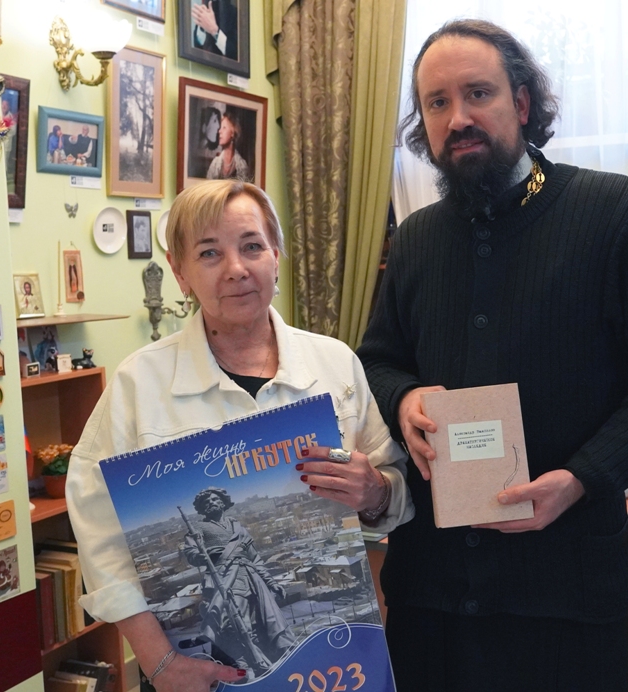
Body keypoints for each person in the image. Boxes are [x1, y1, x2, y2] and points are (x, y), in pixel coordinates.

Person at [356, 19, 628, 692]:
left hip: (566, 594)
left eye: (477, 93)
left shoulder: (613, 212)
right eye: (437, 102)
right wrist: (403, 398)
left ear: (521, 103)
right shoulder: (416, 240)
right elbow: (375, 363)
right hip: (431, 596)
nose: (458, 118)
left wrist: (579, 478)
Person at [67, 179, 413, 692]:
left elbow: (396, 492)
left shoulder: (335, 363)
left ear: (276, 256)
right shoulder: (138, 384)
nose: (235, 268)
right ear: (180, 273)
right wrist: (160, 663)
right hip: (195, 671)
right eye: (209, 253)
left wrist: (375, 490)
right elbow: (100, 537)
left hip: (331, 668)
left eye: (252, 246)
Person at [183, 487, 295, 676]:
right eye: (206, 502)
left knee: (265, 619)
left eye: (214, 499)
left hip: (252, 577)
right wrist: (204, 554)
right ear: (201, 509)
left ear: (223, 502)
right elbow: (191, 553)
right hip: (225, 577)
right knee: (235, 622)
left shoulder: (238, 527)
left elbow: (255, 558)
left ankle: (273, 655)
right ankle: (246, 664)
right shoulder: (198, 529)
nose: (210, 502)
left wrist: (271, 582)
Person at [206, 112, 249, 181]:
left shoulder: (242, 166)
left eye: (224, 128)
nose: (219, 131)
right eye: (220, 128)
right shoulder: (215, 164)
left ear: (232, 133)